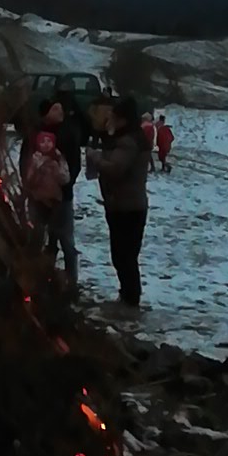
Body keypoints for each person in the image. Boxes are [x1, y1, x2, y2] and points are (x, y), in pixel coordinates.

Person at [86, 95, 150, 309]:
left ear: (123, 119)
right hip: (124, 205)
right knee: (123, 255)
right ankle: (128, 295)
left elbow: (115, 169)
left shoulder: (128, 142)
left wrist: (95, 157)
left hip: (126, 207)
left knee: (124, 257)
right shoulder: (127, 138)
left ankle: (130, 299)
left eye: (114, 116)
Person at [22, 127, 72, 269]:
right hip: (38, 200)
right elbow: (29, 180)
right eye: (42, 141)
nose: (46, 144)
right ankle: (35, 261)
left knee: (54, 232)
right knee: (37, 230)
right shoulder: (36, 159)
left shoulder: (58, 158)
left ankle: (50, 262)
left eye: (49, 141)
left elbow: (65, 178)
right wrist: (37, 170)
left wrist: (56, 170)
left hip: (54, 200)